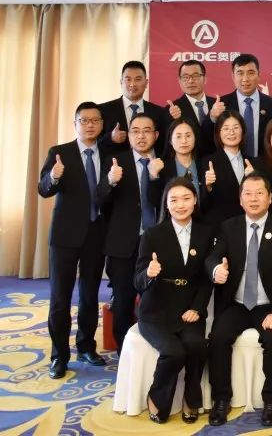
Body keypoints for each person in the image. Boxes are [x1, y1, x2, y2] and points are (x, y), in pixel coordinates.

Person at [205, 173, 272, 427]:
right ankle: (221, 399)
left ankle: (271, 401)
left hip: (268, 305)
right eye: (248, 193)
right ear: (240, 199)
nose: (253, 199)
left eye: (259, 193)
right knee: (218, 338)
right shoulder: (228, 227)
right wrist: (216, 270)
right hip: (236, 303)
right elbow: (212, 257)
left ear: (270, 198)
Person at [38, 101, 110, 378]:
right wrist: (54, 177)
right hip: (65, 236)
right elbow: (43, 189)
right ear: (75, 124)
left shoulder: (110, 153)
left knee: (90, 295)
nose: (90, 125)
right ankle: (59, 356)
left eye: (95, 120)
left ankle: (86, 346)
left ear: (101, 124)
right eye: (84, 120)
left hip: (96, 234)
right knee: (60, 298)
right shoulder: (60, 152)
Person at [133, 177, 214, 423]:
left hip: (188, 309)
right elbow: (137, 280)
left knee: (196, 345)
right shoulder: (152, 234)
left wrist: (197, 308)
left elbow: (205, 279)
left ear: (195, 200)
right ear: (166, 204)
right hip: (155, 311)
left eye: (186, 198)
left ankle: (192, 398)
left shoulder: (205, 233)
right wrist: (149, 273)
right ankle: (157, 397)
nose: (180, 205)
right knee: (173, 352)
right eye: (174, 200)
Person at [96, 112, 165, 351]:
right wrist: (110, 181)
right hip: (122, 243)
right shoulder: (115, 161)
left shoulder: (164, 162)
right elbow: (100, 200)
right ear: (129, 136)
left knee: (156, 300)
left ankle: (153, 351)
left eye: (147, 131)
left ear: (156, 135)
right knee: (123, 302)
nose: (141, 136)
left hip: (157, 243)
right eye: (135, 131)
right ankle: (124, 354)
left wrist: (155, 177)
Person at [216, 54, 272, 160]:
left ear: (258, 75)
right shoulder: (222, 104)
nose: (245, 79)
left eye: (251, 73)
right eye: (240, 73)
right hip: (230, 164)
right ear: (233, 76)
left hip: (265, 164)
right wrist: (212, 118)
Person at [98, 60, 169, 154]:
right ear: (121, 82)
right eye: (128, 79)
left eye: (138, 79)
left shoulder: (159, 112)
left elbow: (165, 145)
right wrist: (110, 138)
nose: (132, 84)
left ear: (146, 83)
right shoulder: (103, 110)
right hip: (115, 162)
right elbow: (91, 144)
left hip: (150, 162)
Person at [199, 110, 252, 227]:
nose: (231, 132)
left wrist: (254, 177)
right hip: (220, 227)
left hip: (249, 225)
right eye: (226, 128)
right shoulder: (208, 162)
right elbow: (204, 205)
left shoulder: (252, 162)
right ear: (218, 133)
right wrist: (208, 186)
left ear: (243, 131)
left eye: (236, 128)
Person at [166, 59, 217, 157]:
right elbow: (168, 144)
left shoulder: (217, 105)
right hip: (189, 161)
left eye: (195, 76)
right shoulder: (172, 110)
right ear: (179, 81)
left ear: (205, 79)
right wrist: (175, 120)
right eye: (186, 77)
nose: (190, 81)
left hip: (216, 160)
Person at [160, 118, 202, 197]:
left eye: (188, 136)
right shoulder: (163, 168)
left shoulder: (204, 165)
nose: (184, 141)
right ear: (170, 141)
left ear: (195, 138)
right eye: (178, 136)